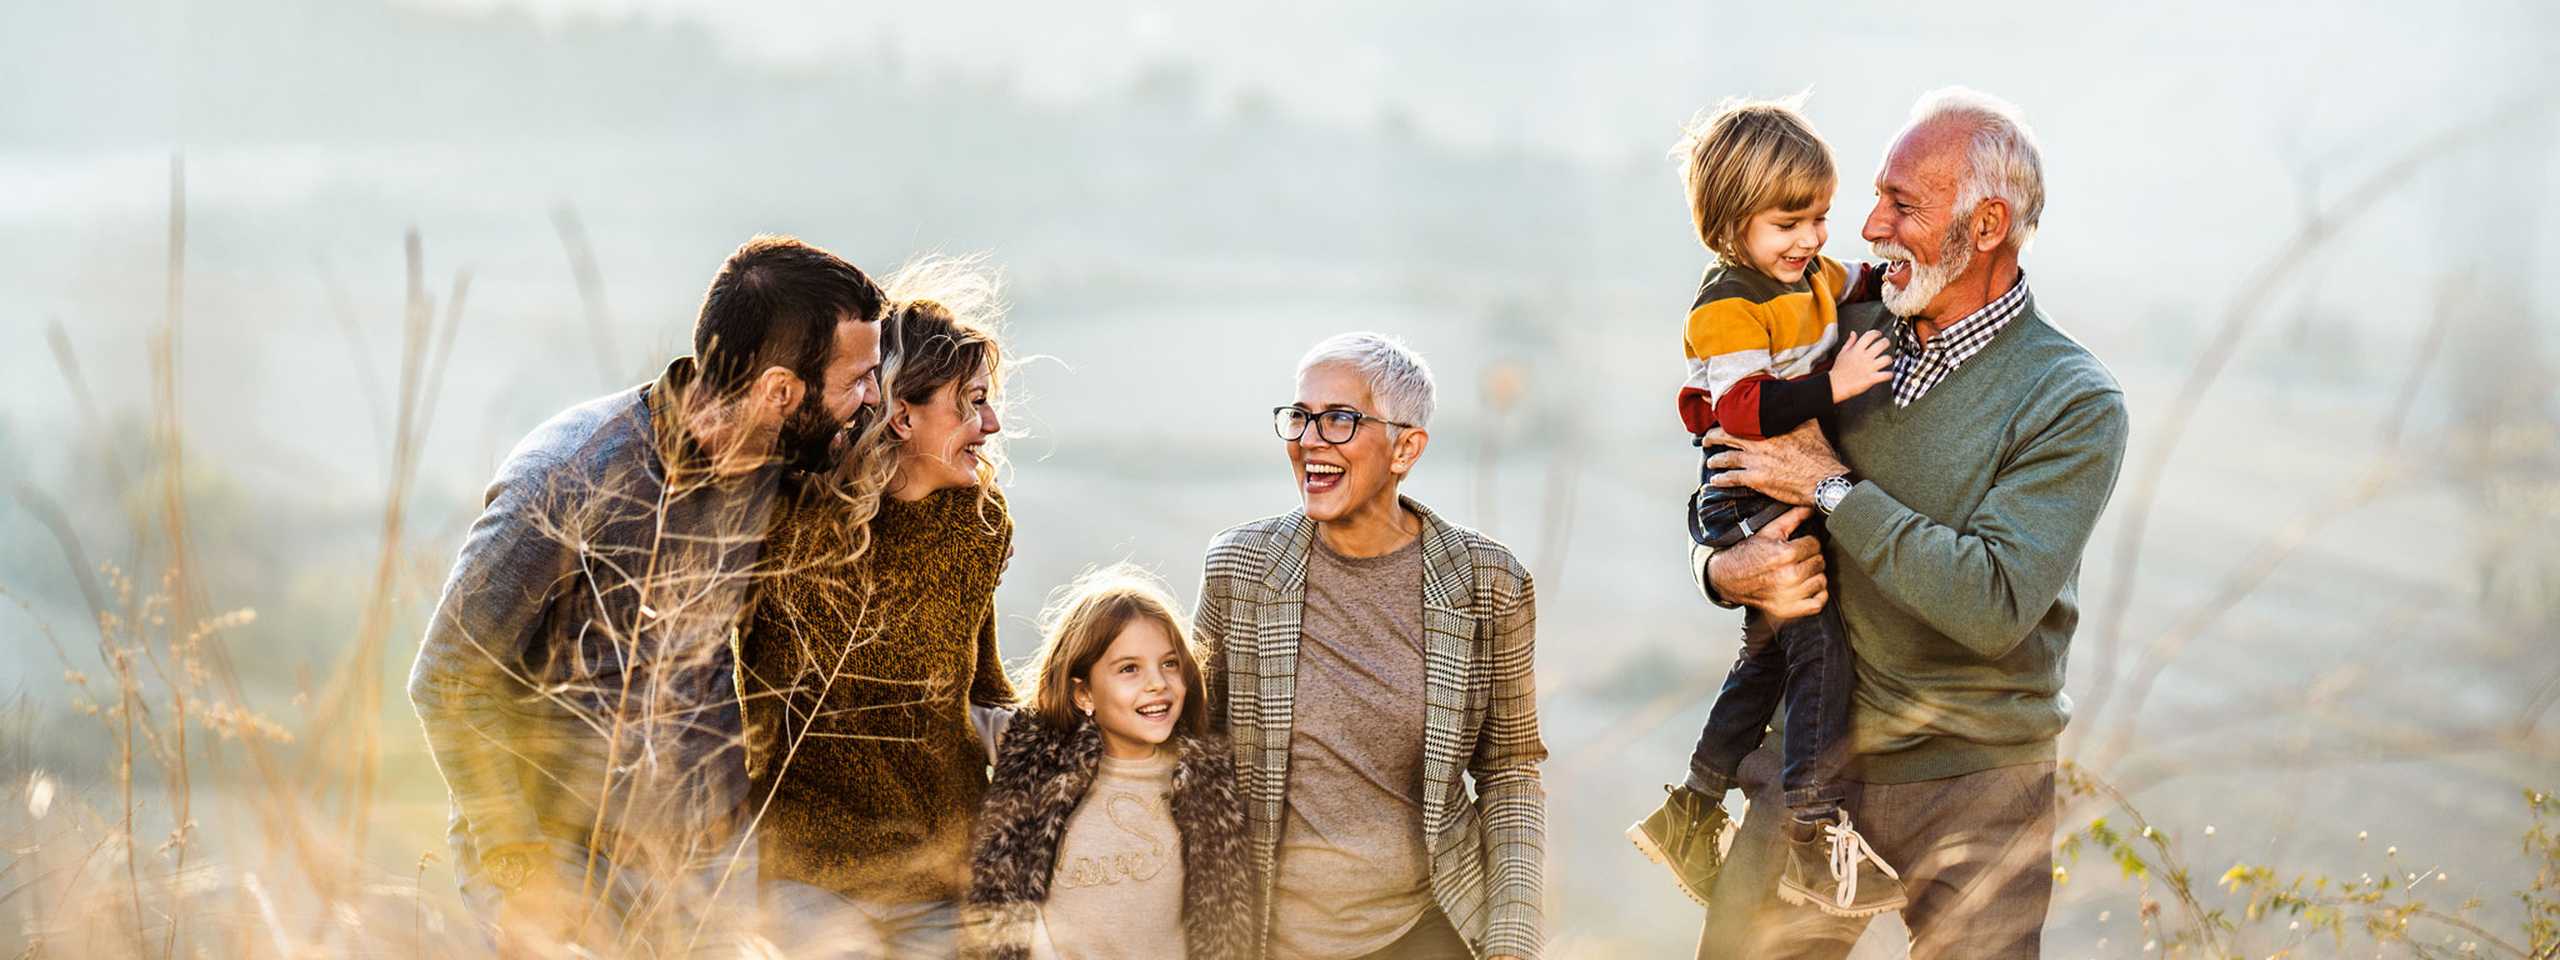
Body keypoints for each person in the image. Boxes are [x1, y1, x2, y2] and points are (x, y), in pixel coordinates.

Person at [1692, 88, 2129, 960]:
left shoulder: (2071, 400)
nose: (1869, 225)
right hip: (1810, 758)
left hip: (1976, 779)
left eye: (1901, 204)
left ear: (1987, 225)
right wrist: (1719, 570)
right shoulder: (1833, 334)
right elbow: (1725, 462)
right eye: (1876, 197)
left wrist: (1832, 489)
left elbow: (1993, 604)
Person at [407, 235, 886, 955]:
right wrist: (521, 875)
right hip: (562, 862)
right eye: (857, 381)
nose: (871, 399)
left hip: (704, 865)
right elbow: (447, 679)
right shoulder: (567, 476)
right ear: (780, 393)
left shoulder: (777, 459)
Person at [1626, 94, 1905, 920]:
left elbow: (1856, 279)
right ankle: (1813, 838)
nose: (1811, 239)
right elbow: (1745, 408)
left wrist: (1889, 276)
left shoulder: (1808, 274)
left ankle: (1693, 808)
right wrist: (1837, 385)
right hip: (1745, 491)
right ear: (1731, 221)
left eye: (1819, 217)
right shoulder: (1726, 306)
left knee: (1770, 659)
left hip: (1773, 485)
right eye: (1789, 224)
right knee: (1822, 651)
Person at [1193, 332, 1547, 960]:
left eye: (1339, 419)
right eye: (1300, 417)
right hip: (1265, 936)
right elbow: (1195, 746)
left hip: (1425, 929)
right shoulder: (1239, 569)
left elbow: (1510, 769)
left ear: (1405, 447)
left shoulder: (1489, 582)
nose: (1308, 440)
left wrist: (1512, 942)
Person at [735, 260, 1017, 959]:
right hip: (812, 881)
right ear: (901, 414)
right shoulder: (791, 522)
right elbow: (740, 699)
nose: (991, 423)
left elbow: (980, 685)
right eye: (970, 403)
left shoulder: (979, 526)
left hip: (939, 881)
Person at [962, 564, 1251, 960]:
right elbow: (939, 705)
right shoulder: (1034, 753)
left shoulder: (1204, 778)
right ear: (1083, 694)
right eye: (1129, 669)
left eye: (1169, 663)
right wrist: (972, 582)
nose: (1157, 683)